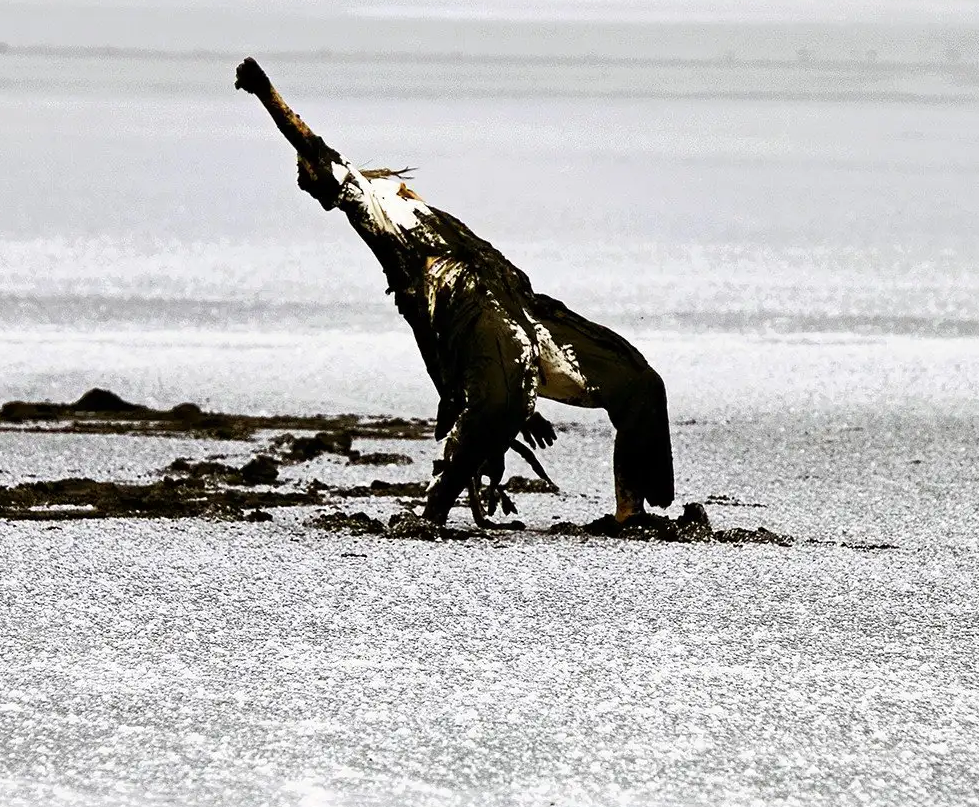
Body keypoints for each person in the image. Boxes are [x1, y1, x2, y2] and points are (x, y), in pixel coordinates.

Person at [235, 57, 673, 527]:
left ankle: (630, 511)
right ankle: (434, 514)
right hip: (472, 306)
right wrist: (265, 92)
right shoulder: (364, 203)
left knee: (639, 381)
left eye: (306, 172)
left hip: (519, 300)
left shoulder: (399, 197)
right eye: (310, 174)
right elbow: (306, 139)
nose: (306, 172)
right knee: (499, 404)